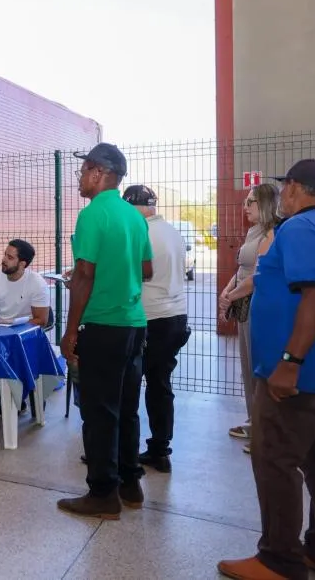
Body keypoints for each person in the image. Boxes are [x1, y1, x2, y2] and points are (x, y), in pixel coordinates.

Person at [218, 159, 315, 580]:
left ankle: (279, 560)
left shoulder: (302, 228)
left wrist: (289, 363)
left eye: (285, 188)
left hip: (297, 376)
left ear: (298, 189)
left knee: (275, 460)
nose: (281, 195)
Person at [57, 143, 152, 520]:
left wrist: (70, 331)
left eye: (84, 172)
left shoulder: (93, 214)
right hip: (133, 324)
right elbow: (145, 271)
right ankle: (130, 484)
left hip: (102, 325)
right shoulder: (134, 217)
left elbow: (84, 274)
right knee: (127, 409)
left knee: (98, 412)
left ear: (99, 173)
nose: (80, 178)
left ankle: (102, 494)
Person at [122, 185, 190, 473]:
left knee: (128, 384)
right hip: (176, 315)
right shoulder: (173, 232)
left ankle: (120, 452)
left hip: (151, 318)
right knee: (160, 384)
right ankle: (160, 449)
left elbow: (132, 276)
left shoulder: (142, 233)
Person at [219, 182, 279, 451]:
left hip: (258, 306)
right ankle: (255, 421)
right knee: (247, 366)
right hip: (245, 304)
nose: (245, 207)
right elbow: (243, 269)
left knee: (258, 367)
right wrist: (228, 288)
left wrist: (231, 296)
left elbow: (257, 275)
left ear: (265, 205)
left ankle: (265, 432)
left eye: (251, 202)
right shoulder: (254, 232)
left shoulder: (270, 234)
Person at [0, 239, 50, 326]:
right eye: (5, 255)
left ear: (22, 264)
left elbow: (41, 321)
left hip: (24, 330)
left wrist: (12, 323)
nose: (4, 260)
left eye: (10, 258)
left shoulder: (37, 283)